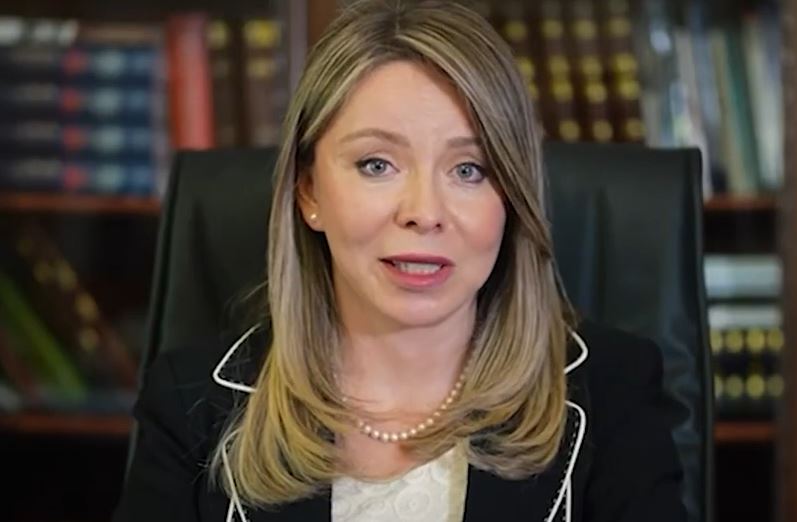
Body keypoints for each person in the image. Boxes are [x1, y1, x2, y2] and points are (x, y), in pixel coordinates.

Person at [114, 1, 686, 520]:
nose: (424, 213)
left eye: (469, 170)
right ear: (308, 191)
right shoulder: (189, 404)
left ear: (512, 197)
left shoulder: (612, 394)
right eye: (377, 165)